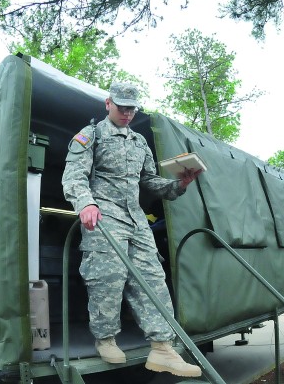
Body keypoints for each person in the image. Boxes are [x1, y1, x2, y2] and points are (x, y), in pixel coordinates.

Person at [61, 82, 203, 377]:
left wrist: (180, 183)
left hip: (137, 220)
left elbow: (150, 182)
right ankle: (105, 338)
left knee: (153, 278)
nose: (127, 112)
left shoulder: (139, 143)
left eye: (132, 108)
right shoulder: (91, 135)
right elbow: (74, 176)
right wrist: (86, 203)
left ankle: (163, 348)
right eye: (122, 106)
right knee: (107, 277)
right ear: (108, 103)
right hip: (103, 216)